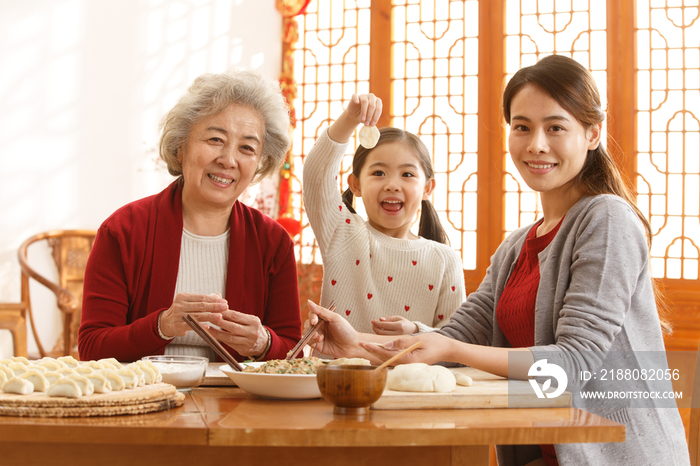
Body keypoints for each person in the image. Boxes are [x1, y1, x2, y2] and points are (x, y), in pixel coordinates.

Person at [305, 55, 690, 466]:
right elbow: (455, 340)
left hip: (620, 456)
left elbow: (574, 363)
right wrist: (356, 343)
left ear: (593, 133)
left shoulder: (607, 218)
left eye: (555, 127)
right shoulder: (516, 247)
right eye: (522, 127)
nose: (536, 143)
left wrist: (449, 345)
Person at [79, 69, 302, 363]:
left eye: (247, 148)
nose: (228, 160)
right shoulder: (123, 230)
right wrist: (161, 326)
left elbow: (294, 353)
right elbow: (93, 347)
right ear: (181, 146)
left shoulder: (273, 242)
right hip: (146, 397)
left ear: (260, 162)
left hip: (240, 404)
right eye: (215, 139)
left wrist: (262, 343)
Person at [303, 93, 465, 336]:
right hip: (335, 374)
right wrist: (349, 119)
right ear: (355, 184)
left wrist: (415, 330)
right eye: (378, 173)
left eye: (407, 175)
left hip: (409, 375)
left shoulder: (444, 259)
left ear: (427, 188)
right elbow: (316, 174)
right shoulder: (342, 232)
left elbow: (455, 340)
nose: (392, 185)